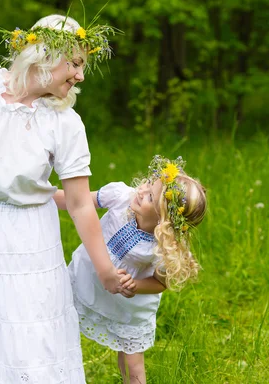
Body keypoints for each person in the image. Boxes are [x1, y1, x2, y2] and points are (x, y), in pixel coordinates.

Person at [0, 14, 124, 383]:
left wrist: (105, 270)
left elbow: (79, 205)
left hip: (32, 237)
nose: (80, 76)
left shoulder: (64, 122)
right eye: (76, 63)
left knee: (32, 334)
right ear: (46, 54)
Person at [53, 155, 207, 384]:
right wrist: (41, 194)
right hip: (84, 280)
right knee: (57, 326)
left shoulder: (162, 246)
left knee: (131, 363)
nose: (142, 191)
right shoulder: (120, 197)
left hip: (128, 308)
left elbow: (160, 282)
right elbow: (76, 201)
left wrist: (135, 286)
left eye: (150, 197)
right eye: (148, 183)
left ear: (163, 220)